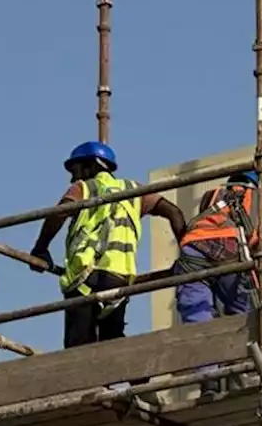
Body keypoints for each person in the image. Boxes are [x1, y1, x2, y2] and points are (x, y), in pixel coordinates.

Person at [30, 141, 186, 349]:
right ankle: (137, 371)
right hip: (120, 278)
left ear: (92, 166)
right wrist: (187, 256)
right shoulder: (134, 190)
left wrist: (41, 249)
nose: (73, 177)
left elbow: (58, 214)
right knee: (111, 339)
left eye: (76, 170)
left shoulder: (84, 188)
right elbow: (174, 212)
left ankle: (91, 380)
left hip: (86, 276)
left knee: (78, 345)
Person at [173, 170, 262, 396]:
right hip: (232, 250)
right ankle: (239, 373)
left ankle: (209, 380)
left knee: (198, 316)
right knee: (243, 316)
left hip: (193, 252)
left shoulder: (211, 195)